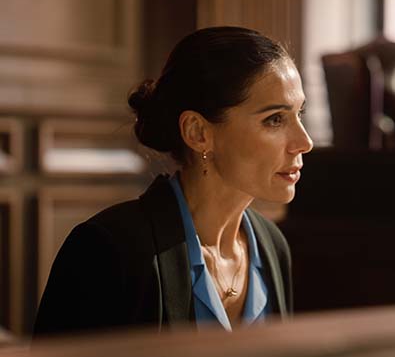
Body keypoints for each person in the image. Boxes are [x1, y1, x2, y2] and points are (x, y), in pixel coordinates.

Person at [34, 27, 313, 336]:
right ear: (198, 133)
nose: (305, 141)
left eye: (300, 113)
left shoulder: (272, 246)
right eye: (275, 119)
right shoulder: (107, 251)